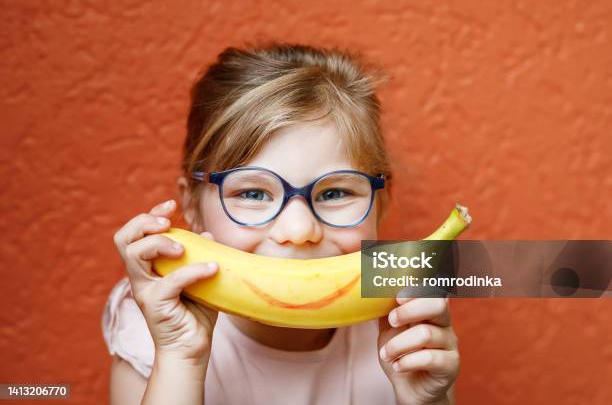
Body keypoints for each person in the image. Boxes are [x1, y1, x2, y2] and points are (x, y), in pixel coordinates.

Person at [102, 42, 459, 404]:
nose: (299, 231)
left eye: (335, 193)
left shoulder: (405, 338)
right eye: (254, 194)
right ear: (191, 205)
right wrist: (180, 360)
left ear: (380, 203)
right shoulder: (157, 335)